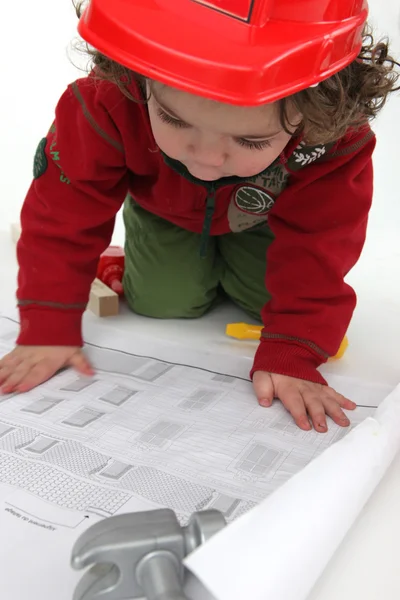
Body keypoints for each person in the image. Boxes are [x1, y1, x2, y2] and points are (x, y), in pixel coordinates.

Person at [0, 0, 398, 432]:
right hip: (164, 210)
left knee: (263, 308)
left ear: (319, 104)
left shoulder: (332, 137)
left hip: (266, 219)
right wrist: (48, 326)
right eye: (172, 117)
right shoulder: (104, 101)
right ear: (138, 76)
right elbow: (63, 214)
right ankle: (146, 255)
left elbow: (321, 243)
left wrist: (293, 349)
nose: (207, 162)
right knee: (165, 303)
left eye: (249, 141)